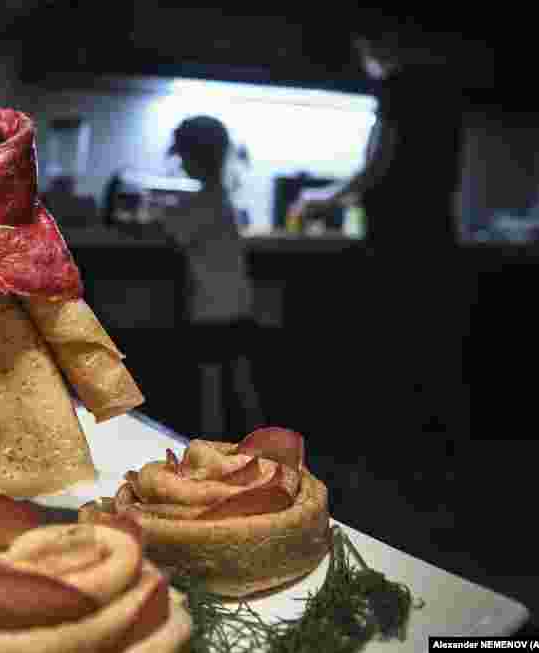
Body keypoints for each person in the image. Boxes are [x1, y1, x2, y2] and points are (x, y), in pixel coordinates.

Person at [291, 31, 472, 449]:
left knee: (392, 331)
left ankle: (389, 434)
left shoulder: (398, 88)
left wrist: (322, 199)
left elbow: (377, 166)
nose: (361, 57)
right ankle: (430, 433)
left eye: (362, 46)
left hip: (396, 236)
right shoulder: (446, 90)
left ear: (379, 42)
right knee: (428, 333)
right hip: (436, 232)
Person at [161, 115, 264, 437]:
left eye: (182, 156)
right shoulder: (222, 197)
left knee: (211, 384)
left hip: (209, 309)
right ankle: (261, 442)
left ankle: (212, 445)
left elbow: (173, 232)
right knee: (242, 382)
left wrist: (163, 214)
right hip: (238, 306)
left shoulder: (200, 202)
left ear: (193, 157)